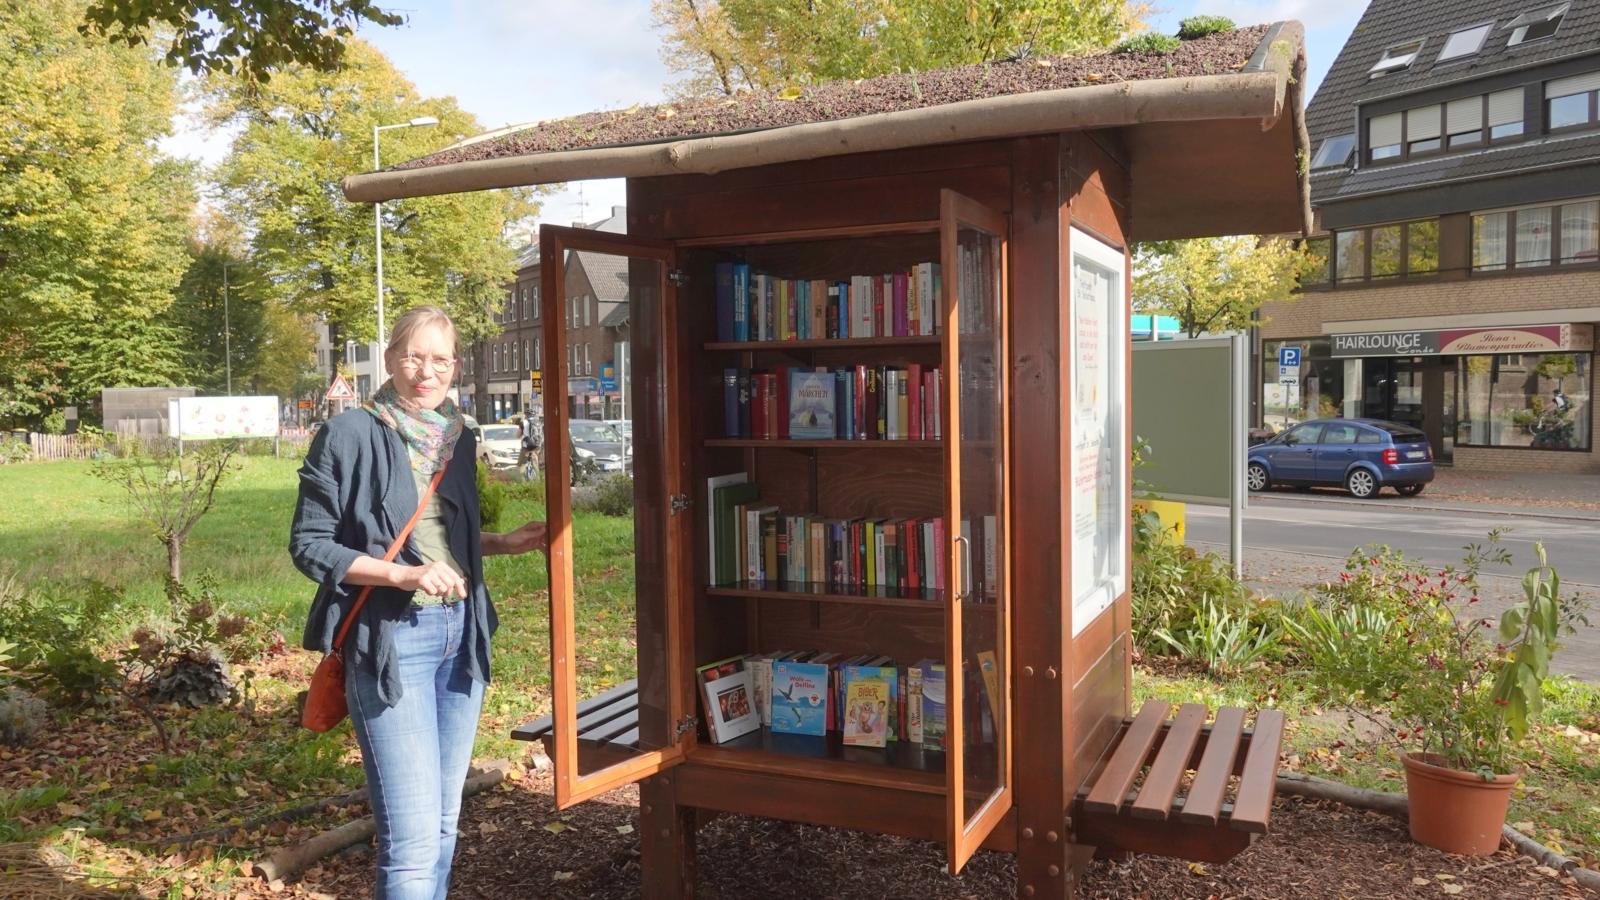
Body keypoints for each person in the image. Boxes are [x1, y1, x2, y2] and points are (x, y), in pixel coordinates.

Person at [289, 306, 547, 900]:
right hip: (392, 644)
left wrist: (500, 544)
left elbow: (440, 543)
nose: (424, 372)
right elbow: (309, 547)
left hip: (463, 638)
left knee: (441, 826)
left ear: (455, 366)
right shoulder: (350, 433)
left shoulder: (459, 436)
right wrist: (402, 577)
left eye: (438, 360)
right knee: (409, 844)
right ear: (390, 359)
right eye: (412, 356)